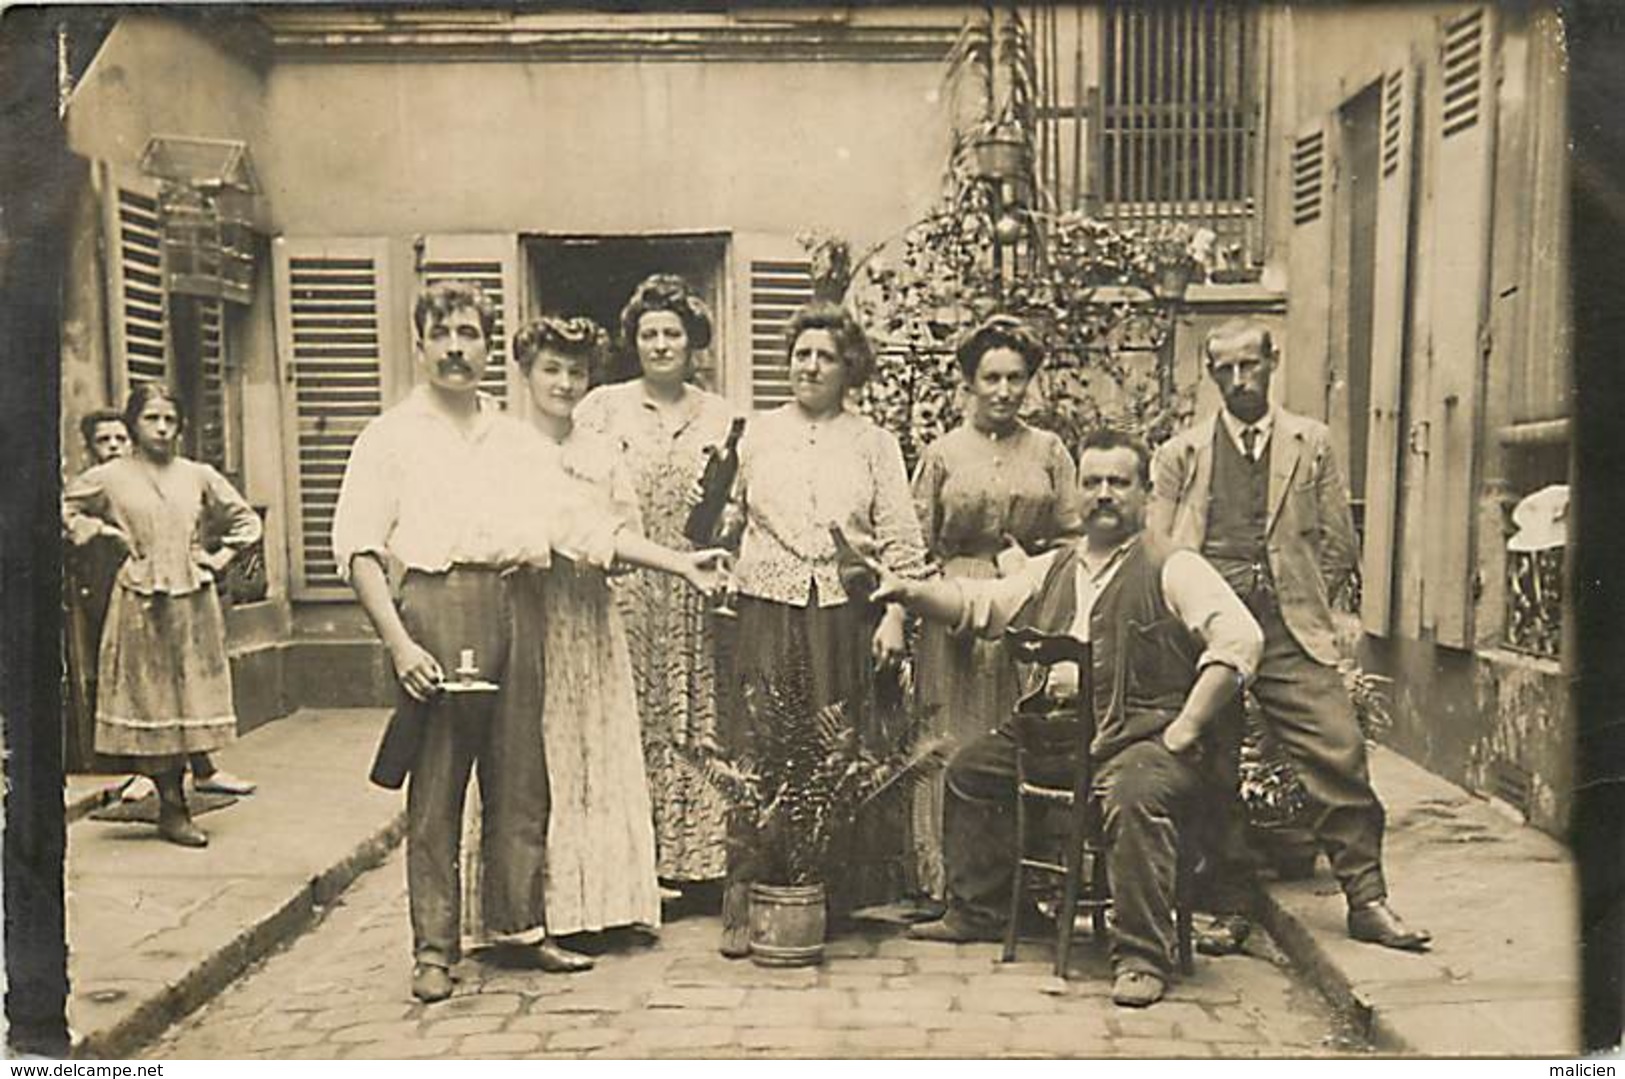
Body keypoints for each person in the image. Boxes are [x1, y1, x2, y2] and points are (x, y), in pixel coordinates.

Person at [332, 281, 724, 1003]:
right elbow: (358, 548)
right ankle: (433, 948)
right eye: (442, 333)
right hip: (436, 602)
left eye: (470, 334)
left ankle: (521, 924)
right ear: (419, 342)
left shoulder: (514, 439)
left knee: (521, 776)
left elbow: (582, 528)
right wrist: (399, 644)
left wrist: (678, 561)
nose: (456, 347)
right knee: (439, 783)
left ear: (488, 345)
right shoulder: (389, 435)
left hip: (520, 601)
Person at [872, 428, 1263, 1008]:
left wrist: (1186, 725)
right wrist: (908, 591)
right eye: (1092, 482)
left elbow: (1241, 641)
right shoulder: (1055, 567)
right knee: (969, 769)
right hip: (1057, 733)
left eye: (1119, 482)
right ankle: (981, 910)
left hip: (1142, 736)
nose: (1104, 494)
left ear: (1145, 494)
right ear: (1077, 491)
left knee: (1134, 799)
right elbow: (979, 604)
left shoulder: (1174, 566)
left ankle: (1140, 957)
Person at [1146, 318, 1430, 955]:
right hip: (1210, 636)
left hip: (1287, 630)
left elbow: (1336, 544)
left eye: (1251, 365)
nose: (1240, 380)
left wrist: (1299, 604)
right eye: (1225, 369)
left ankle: (1367, 899)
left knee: (1338, 751)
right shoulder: (1181, 454)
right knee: (1210, 764)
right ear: (1211, 373)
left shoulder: (1312, 442)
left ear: (1272, 364)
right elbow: (1158, 548)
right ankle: (1226, 902)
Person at [723, 301, 932, 954]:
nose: (809, 366)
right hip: (768, 604)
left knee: (841, 744)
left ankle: (833, 895)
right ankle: (749, 894)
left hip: (847, 610)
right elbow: (728, 517)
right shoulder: (754, 433)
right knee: (761, 740)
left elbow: (901, 539)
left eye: (825, 356)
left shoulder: (874, 443)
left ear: (849, 368)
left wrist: (896, 613)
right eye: (800, 353)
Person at [461, 315, 661, 945]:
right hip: (529, 612)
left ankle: (600, 904)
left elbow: (622, 525)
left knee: (594, 747)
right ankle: (531, 912)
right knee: (535, 757)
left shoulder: (601, 450)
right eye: (551, 369)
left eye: (576, 371)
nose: (565, 383)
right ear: (525, 373)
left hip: (590, 618)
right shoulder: (502, 447)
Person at [909, 315, 1083, 900]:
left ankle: (1020, 881)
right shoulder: (942, 453)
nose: (1004, 391)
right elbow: (913, 540)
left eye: (1016, 378)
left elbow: (1073, 537)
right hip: (952, 607)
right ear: (969, 383)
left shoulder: (1051, 450)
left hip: (1026, 603)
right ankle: (947, 882)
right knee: (949, 736)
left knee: (1014, 739)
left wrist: (1029, 566)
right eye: (991, 378)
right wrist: (936, 591)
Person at [574, 274, 736, 896]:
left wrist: (725, 524)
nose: (661, 345)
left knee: (693, 715)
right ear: (633, 342)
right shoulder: (601, 408)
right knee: (625, 715)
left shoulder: (720, 415)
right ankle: (630, 866)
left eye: (673, 333)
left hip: (693, 586)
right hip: (625, 588)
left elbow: (737, 506)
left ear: (694, 342)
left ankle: (693, 864)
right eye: (649, 334)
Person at [62, 385, 264, 848]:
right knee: (153, 700)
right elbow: (64, 508)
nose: (162, 428)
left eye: (170, 420)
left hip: (192, 596)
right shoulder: (109, 476)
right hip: (139, 599)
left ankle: (188, 789)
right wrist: (104, 531)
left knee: (187, 697)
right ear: (134, 423)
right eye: (152, 418)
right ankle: (173, 807)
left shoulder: (197, 474)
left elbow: (246, 521)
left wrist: (220, 556)